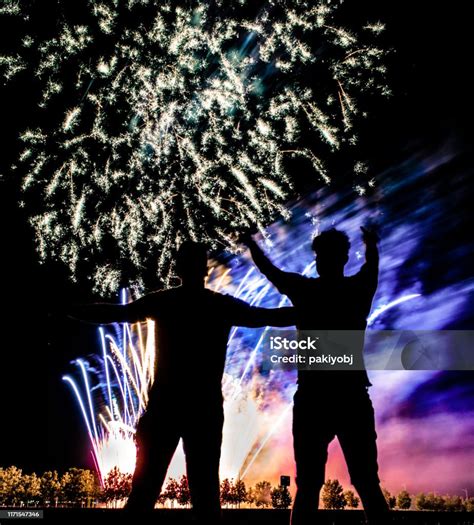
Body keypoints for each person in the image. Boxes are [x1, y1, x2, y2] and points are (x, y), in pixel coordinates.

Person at [67, 241, 295, 522]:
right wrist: (313, 310)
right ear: (204, 269)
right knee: (205, 492)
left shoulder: (163, 302)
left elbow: (116, 313)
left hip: (165, 404)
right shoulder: (218, 305)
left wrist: (71, 308)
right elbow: (265, 317)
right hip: (204, 407)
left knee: (145, 488)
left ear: (177, 268)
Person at [242, 227, 389, 525]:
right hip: (351, 395)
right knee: (366, 483)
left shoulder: (306, 291)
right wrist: (371, 243)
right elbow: (372, 268)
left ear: (320, 259)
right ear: (345, 258)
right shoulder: (358, 290)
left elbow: (270, 271)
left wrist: (251, 244)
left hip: (314, 397)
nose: (322, 260)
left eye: (322, 255)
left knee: (308, 485)